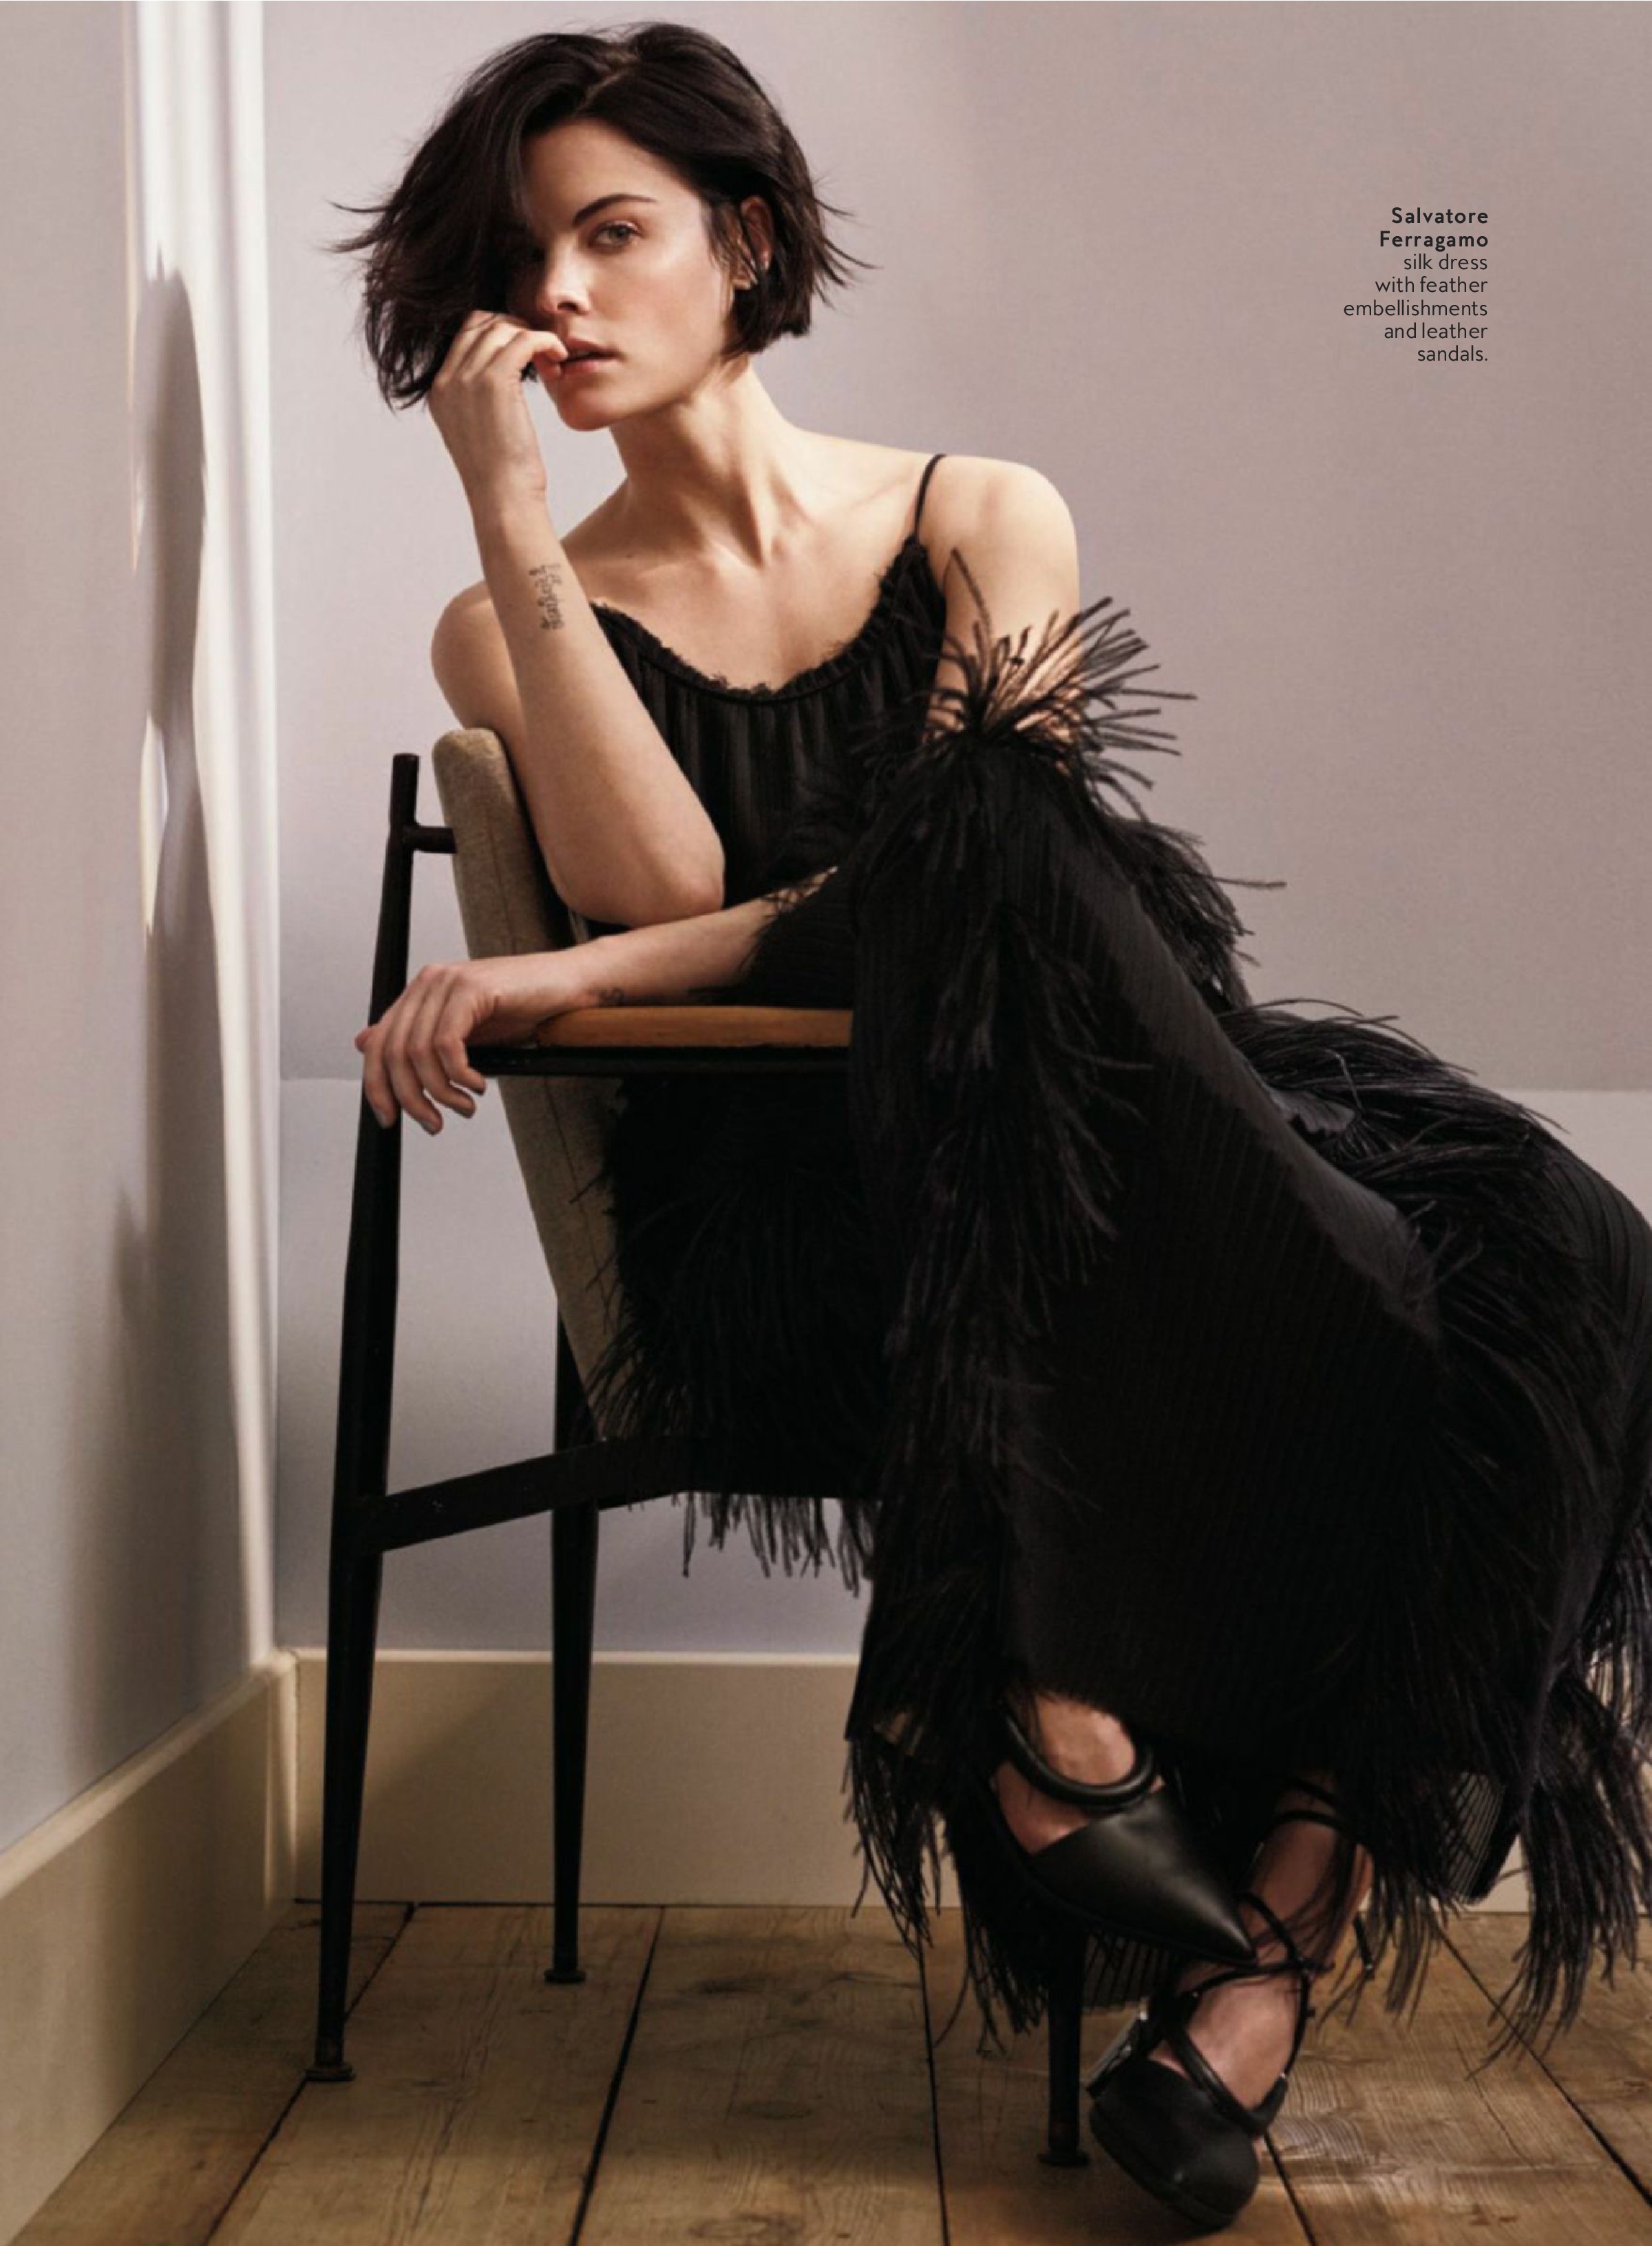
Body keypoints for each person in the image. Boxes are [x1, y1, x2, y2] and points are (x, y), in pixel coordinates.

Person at [333, 21, 1652, 2227]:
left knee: (1556, 1240)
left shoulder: (976, 512)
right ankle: (1151, 1828)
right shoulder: (512, 620)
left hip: (1107, 1151)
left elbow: (972, 901)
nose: (552, 292)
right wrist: (508, 513)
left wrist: (555, 978)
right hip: (809, 1206)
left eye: (611, 231)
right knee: (1001, 841)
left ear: (748, 242)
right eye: (511, 259)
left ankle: (1257, 1924)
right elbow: (665, 891)